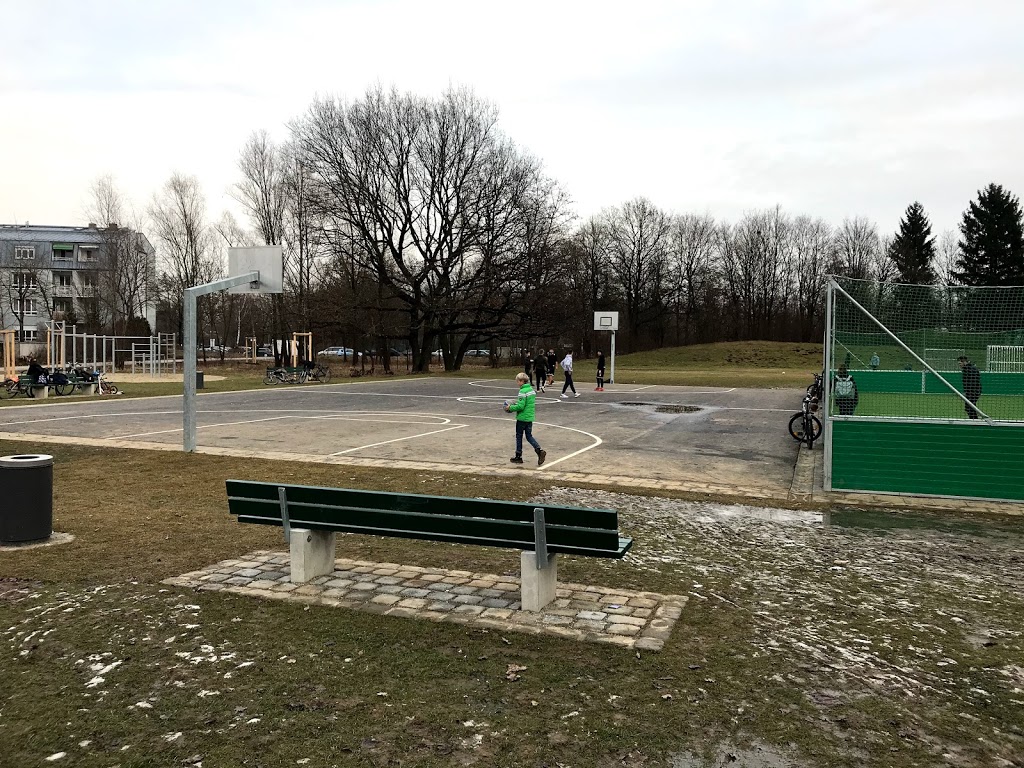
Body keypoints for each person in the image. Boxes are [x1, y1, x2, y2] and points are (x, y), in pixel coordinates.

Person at [505, 372, 546, 466]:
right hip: (529, 417)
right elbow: (527, 404)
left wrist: (510, 408)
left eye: (518, 381)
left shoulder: (522, 391)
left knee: (519, 436)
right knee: (529, 436)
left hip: (522, 418)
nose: (517, 383)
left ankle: (518, 456)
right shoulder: (531, 390)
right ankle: (539, 450)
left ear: (521, 381)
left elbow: (521, 406)